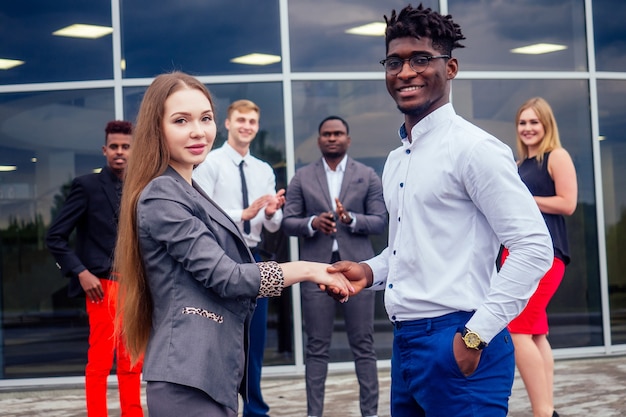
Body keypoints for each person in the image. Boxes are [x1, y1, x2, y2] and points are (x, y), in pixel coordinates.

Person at [327, 4, 554, 417]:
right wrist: (370, 271)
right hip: (405, 346)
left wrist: (474, 336)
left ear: (450, 68)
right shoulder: (397, 159)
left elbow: (534, 247)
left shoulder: (474, 149)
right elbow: (413, 251)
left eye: (420, 59)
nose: (406, 72)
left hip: (460, 340)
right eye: (394, 61)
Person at [112, 71, 353, 417]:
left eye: (205, 118)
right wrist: (309, 269)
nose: (198, 130)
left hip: (209, 373)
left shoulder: (187, 187)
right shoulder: (162, 194)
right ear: (157, 129)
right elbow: (229, 278)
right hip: (187, 378)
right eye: (181, 120)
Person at [282, 115, 387, 417]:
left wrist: (350, 219)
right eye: (326, 133)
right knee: (316, 348)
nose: (332, 138)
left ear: (347, 140)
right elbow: (289, 222)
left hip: (355, 270)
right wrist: (312, 223)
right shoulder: (302, 177)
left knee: (363, 346)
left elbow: (380, 221)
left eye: (338, 133)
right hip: (316, 271)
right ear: (319, 140)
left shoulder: (367, 175)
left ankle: (370, 413)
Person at [192, 99, 285, 417]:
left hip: (254, 255)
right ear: (228, 124)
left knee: (254, 339)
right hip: (219, 256)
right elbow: (200, 212)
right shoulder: (209, 163)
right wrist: (241, 214)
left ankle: (255, 410)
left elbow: (273, 224)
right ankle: (220, 406)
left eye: (252, 122)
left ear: (257, 127)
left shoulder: (263, 169)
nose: (247, 126)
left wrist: (272, 213)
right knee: (219, 336)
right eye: (240, 120)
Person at [46, 120, 143, 417]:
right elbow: (55, 236)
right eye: (114, 147)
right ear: (104, 150)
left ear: (134, 149)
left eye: (126, 147)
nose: (120, 152)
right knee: (100, 361)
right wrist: (81, 272)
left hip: (137, 288)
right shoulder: (86, 186)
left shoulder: (143, 186)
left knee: (132, 363)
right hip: (102, 286)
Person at [503, 97, 577, 417]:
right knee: (535, 332)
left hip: (546, 255)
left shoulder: (556, 156)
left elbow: (568, 203)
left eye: (534, 122)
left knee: (515, 329)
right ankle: (548, 409)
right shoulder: (518, 166)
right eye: (523, 123)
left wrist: (526, 200)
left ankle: (543, 413)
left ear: (546, 125)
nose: (528, 128)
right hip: (515, 253)